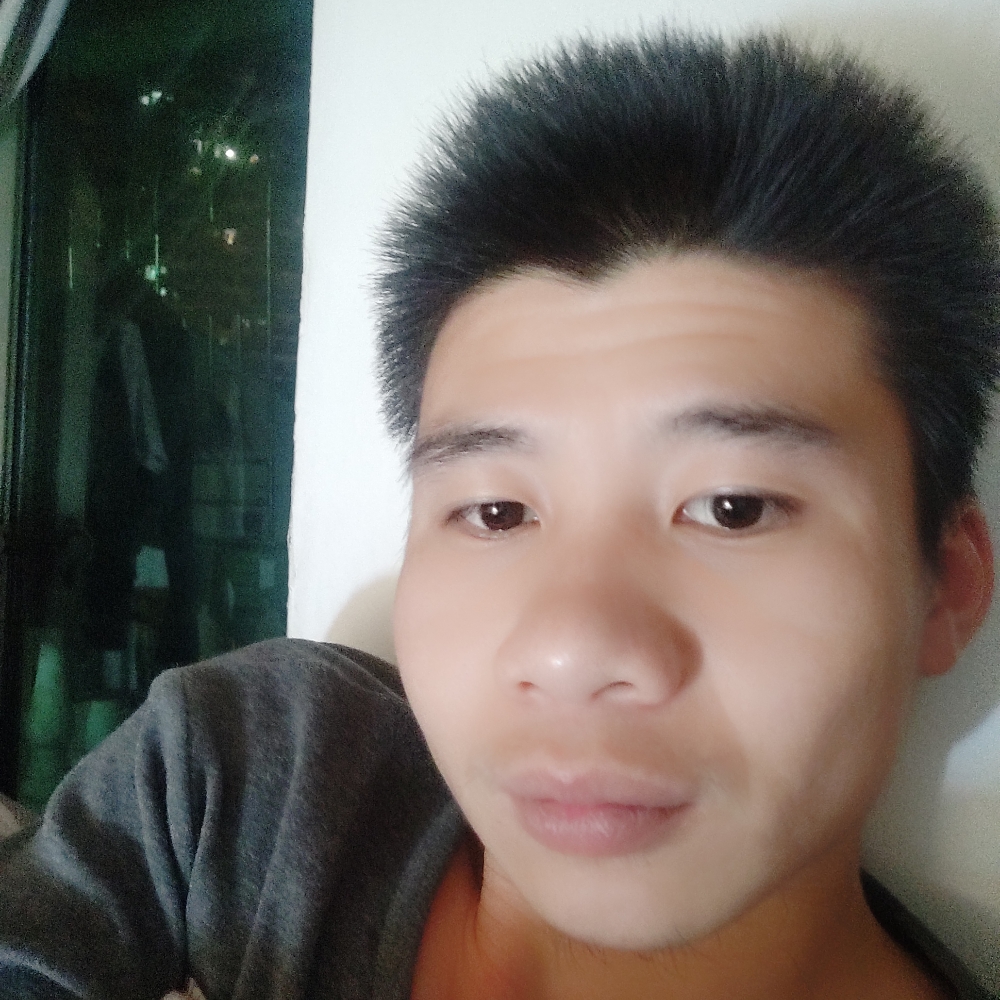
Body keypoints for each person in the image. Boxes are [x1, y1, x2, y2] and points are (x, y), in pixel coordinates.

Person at [1, 30, 998, 1000]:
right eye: (496, 510)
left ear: (947, 585)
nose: (570, 648)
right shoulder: (249, 780)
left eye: (732, 508)